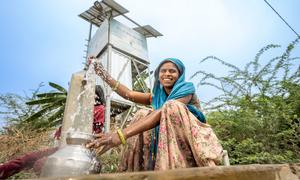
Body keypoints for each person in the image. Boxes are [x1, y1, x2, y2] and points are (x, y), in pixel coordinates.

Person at [87, 57, 223, 171]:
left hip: (191, 140)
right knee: (142, 113)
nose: (167, 74)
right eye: (163, 71)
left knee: (170, 106)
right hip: (162, 139)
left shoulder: (186, 88)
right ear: (158, 75)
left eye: (172, 71)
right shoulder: (156, 96)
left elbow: (163, 111)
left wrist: (122, 134)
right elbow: (129, 94)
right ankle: (140, 170)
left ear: (180, 74)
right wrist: (103, 73)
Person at [0, 85, 106, 179]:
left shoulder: (100, 109)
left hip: (77, 150)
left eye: (91, 94)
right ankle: (2, 170)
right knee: (27, 158)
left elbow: (96, 132)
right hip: (64, 146)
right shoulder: (80, 109)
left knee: (40, 164)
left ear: (97, 96)